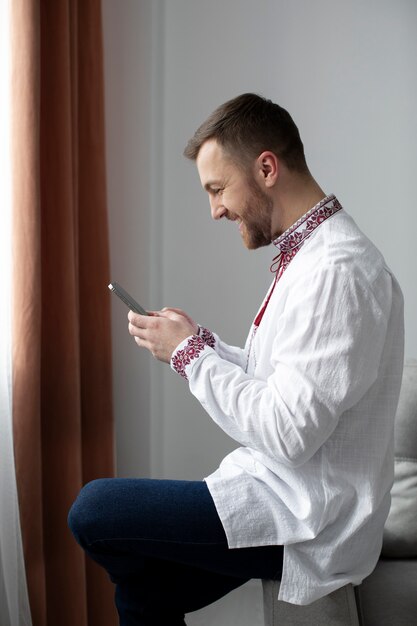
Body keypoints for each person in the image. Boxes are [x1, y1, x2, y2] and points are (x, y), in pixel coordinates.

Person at [68, 93, 405, 625]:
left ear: (266, 167)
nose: (215, 209)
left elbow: (288, 433)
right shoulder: (308, 258)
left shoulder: (337, 271)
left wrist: (189, 356)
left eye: (218, 188)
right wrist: (197, 341)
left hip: (306, 517)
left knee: (94, 510)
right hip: (276, 491)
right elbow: (276, 381)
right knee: (143, 592)